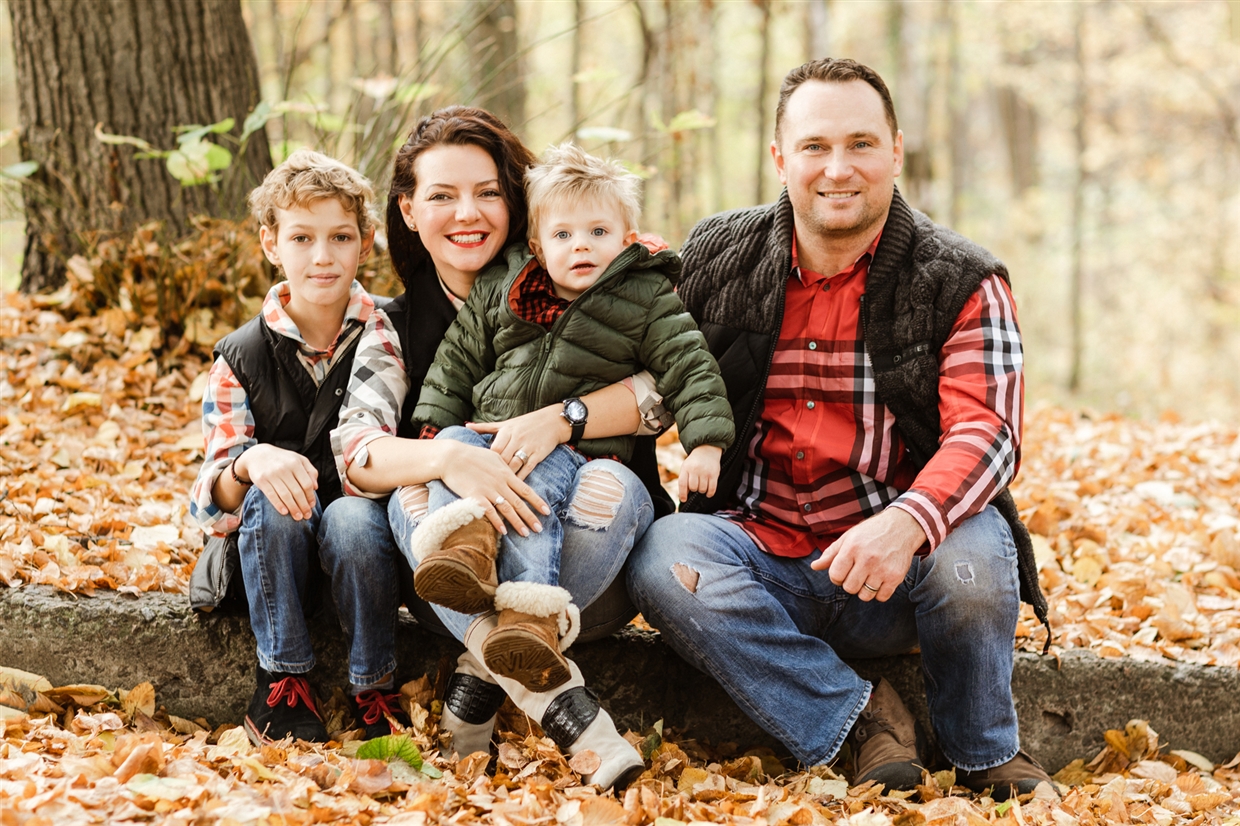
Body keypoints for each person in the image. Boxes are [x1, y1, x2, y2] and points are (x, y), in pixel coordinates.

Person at [626, 58, 1054, 802]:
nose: (837, 168)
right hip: (762, 558)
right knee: (666, 557)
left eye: (860, 144)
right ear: (779, 158)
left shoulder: (960, 278)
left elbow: (987, 435)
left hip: (903, 571)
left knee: (978, 552)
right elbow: (642, 367)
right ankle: (860, 720)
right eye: (815, 146)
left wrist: (907, 523)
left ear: (895, 150)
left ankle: (985, 750)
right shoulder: (718, 256)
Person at [331, 109, 669, 790]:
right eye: (442, 195)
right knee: (407, 496)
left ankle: (484, 665)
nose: (468, 213)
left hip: (594, 568)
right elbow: (358, 454)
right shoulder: (394, 327)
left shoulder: (600, 274)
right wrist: (450, 458)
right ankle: (578, 724)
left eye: (487, 192)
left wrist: (562, 420)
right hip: (458, 583)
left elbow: (664, 393)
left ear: (514, 201)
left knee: (612, 485)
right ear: (409, 211)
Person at [408, 142, 733, 694]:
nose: (580, 245)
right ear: (537, 246)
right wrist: (432, 432)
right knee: (454, 445)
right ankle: (466, 551)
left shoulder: (645, 296)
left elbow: (690, 365)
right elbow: (455, 362)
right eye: (563, 235)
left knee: (535, 498)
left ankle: (530, 616)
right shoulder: (504, 286)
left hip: (576, 454)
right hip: (489, 439)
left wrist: (705, 444)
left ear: (627, 239)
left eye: (598, 232)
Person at [190, 149, 410, 745]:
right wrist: (249, 461)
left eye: (340, 237)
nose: (322, 256)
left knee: (352, 518)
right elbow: (210, 505)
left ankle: (374, 684)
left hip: (361, 551)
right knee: (270, 499)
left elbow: (379, 453)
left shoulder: (388, 333)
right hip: (272, 557)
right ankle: (282, 679)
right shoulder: (240, 355)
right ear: (271, 244)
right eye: (302, 237)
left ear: (365, 243)